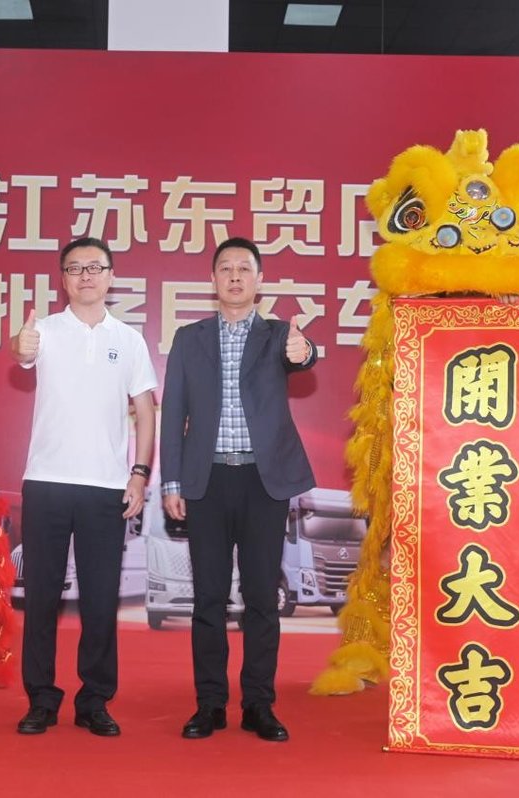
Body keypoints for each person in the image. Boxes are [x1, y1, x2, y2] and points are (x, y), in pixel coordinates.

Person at [160, 237, 317, 742]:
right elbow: (173, 412)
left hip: (262, 482)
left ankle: (258, 704)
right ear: (212, 280)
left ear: (259, 280)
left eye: (243, 269)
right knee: (207, 598)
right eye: (225, 268)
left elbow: (303, 356)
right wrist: (171, 480)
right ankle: (209, 705)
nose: (234, 276)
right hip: (206, 482)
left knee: (261, 598)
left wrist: (305, 350)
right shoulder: (190, 338)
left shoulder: (279, 335)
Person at [10, 237, 157, 737]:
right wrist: (21, 346)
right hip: (46, 483)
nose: (86, 276)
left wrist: (140, 473)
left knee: (99, 600)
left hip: (106, 488)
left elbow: (144, 411)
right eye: (75, 268)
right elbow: (22, 352)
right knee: (41, 598)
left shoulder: (129, 340)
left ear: (111, 276)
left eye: (95, 267)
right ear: (64, 279)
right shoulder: (45, 331)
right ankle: (41, 699)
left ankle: (94, 699)